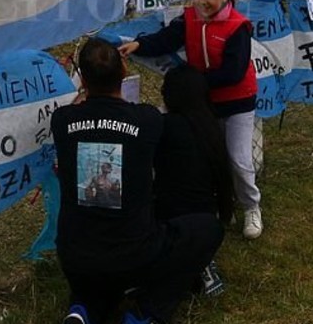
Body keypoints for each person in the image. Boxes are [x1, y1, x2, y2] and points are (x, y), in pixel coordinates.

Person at [53, 38, 223, 324]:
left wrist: (85, 88)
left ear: (81, 78)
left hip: (75, 255)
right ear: (123, 72)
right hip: (135, 253)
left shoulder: (61, 120)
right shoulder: (148, 120)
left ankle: (81, 310)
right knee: (208, 228)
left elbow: (80, 108)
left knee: (95, 280)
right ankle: (146, 313)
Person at [119, 0, 264, 239]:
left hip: (237, 103)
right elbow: (166, 39)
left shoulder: (238, 27)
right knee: (208, 157)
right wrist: (140, 44)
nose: (202, 1)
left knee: (238, 159)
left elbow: (233, 73)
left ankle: (251, 206)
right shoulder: (189, 18)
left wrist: (194, 84)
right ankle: (224, 204)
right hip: (204, 104)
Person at [155, 65, 234, 296]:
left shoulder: (165, 126)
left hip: (168, 221)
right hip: (206, 220)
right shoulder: (210, 126)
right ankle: (199, 264)